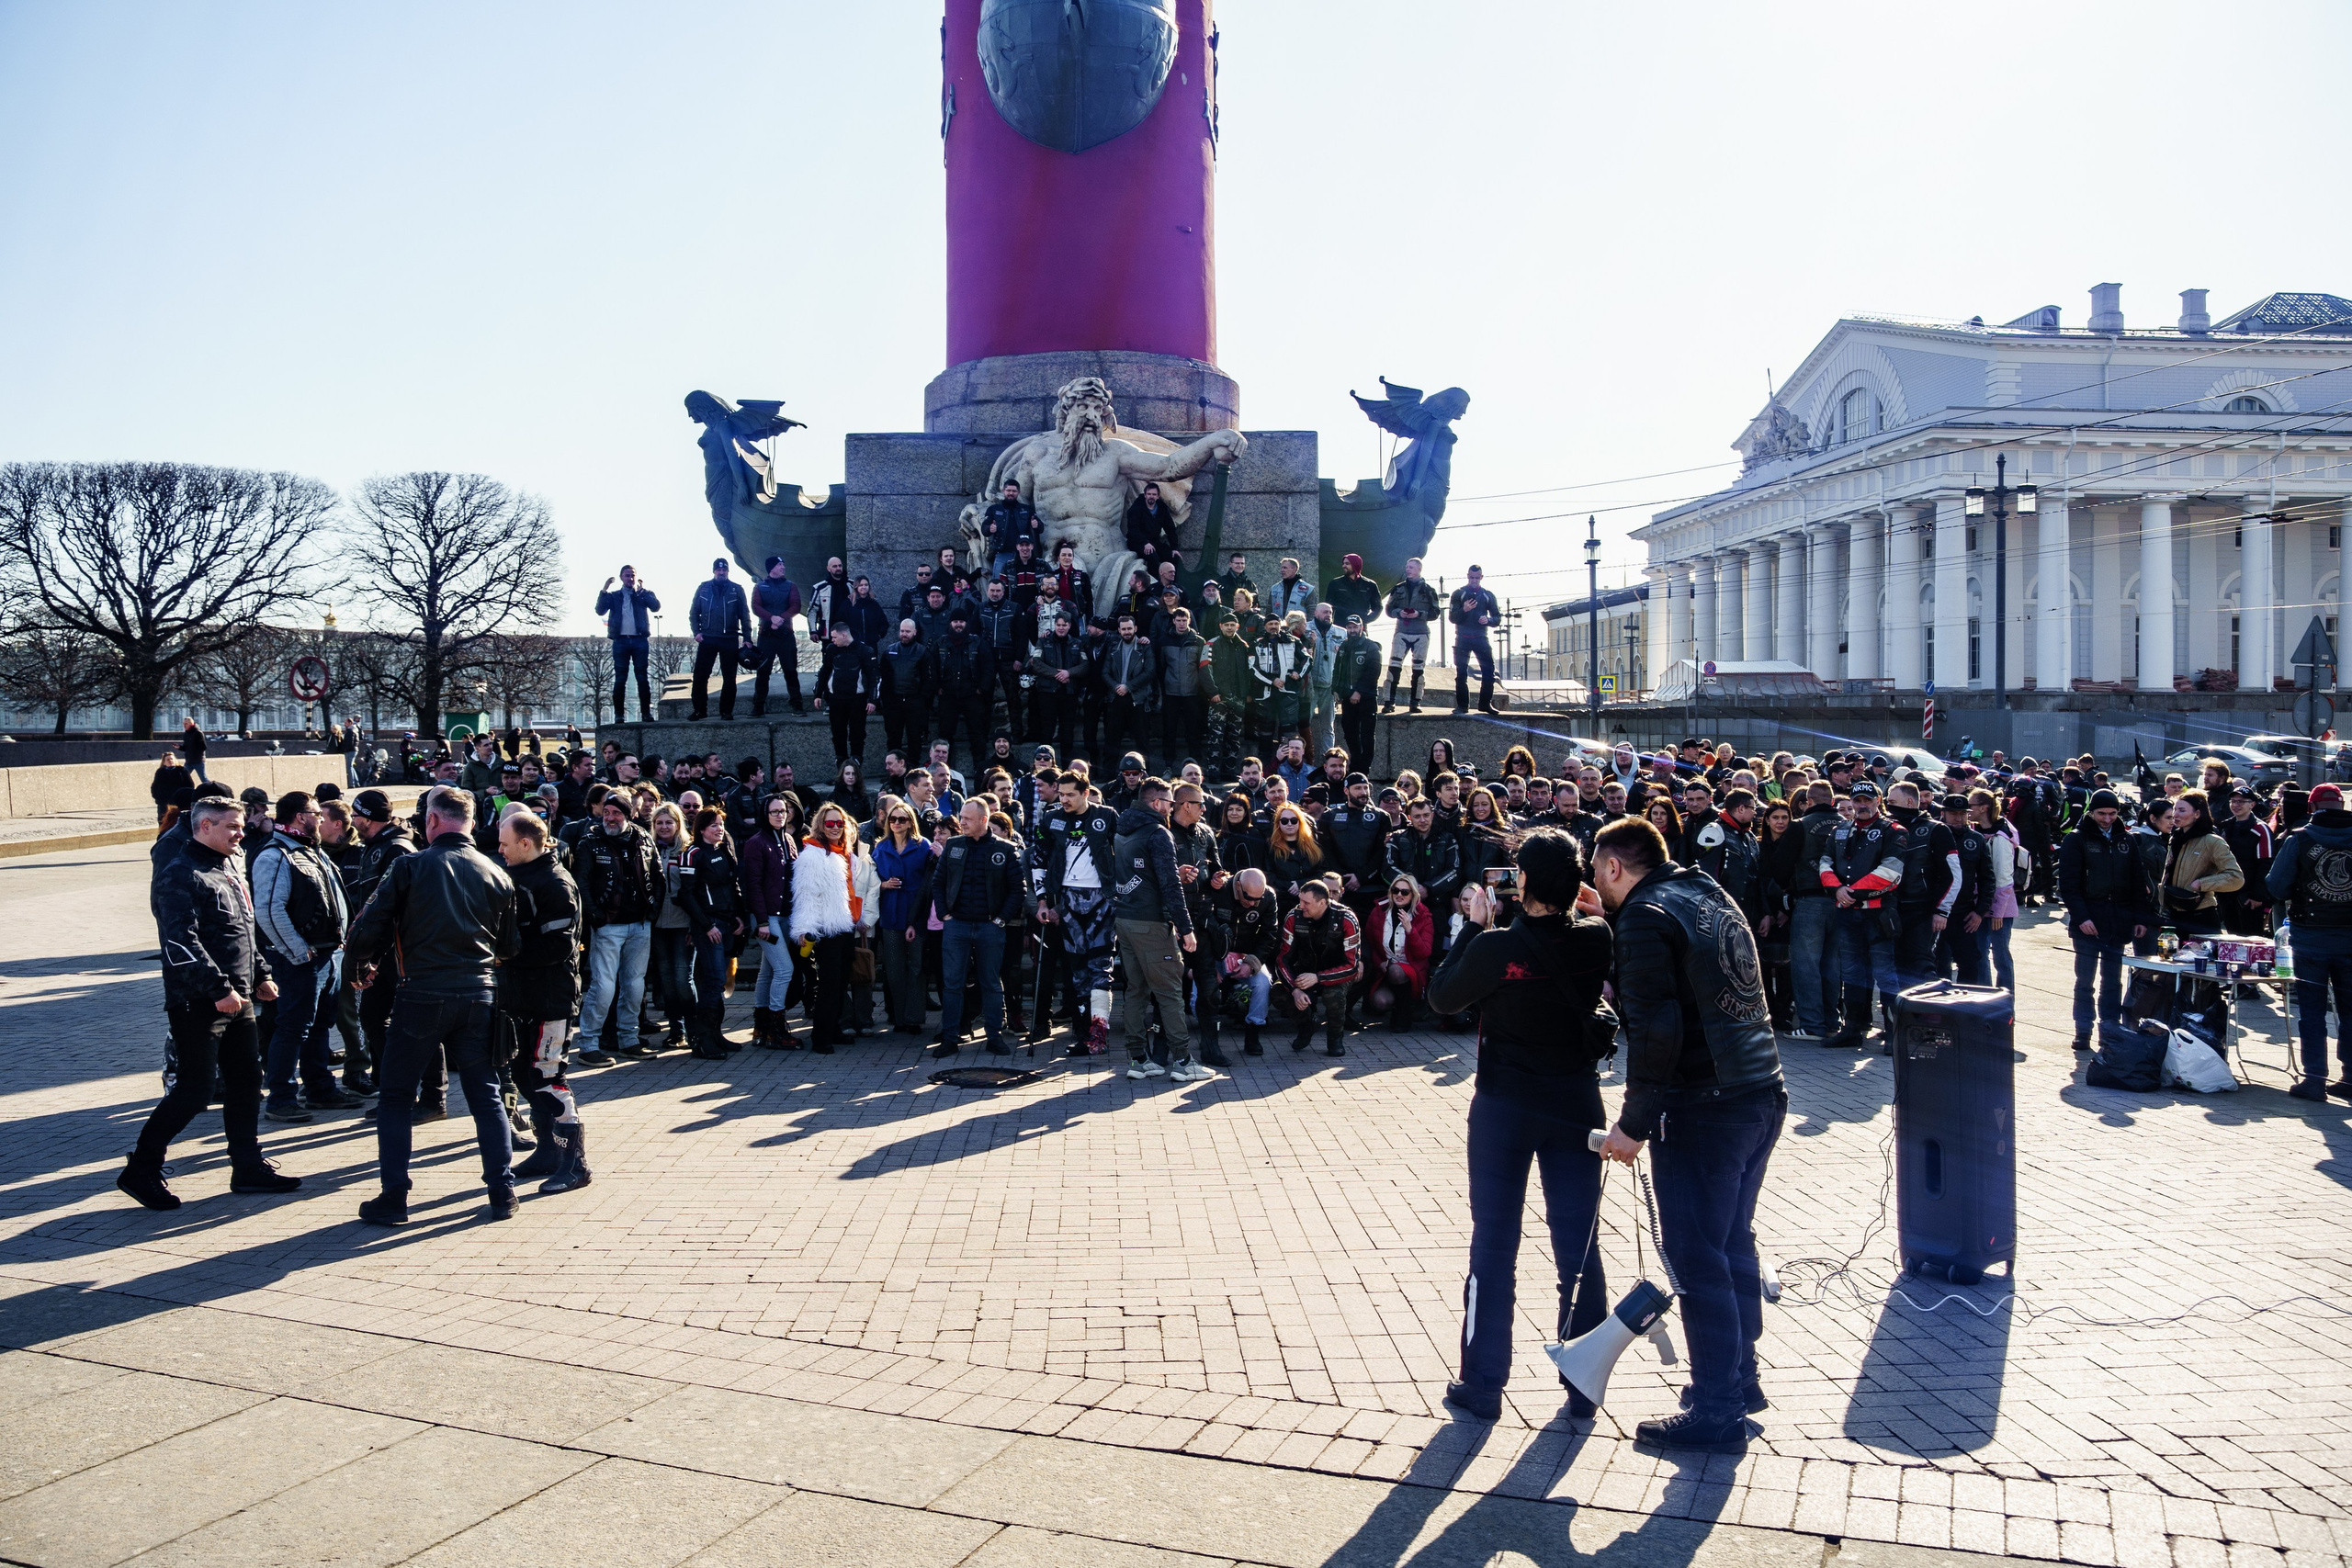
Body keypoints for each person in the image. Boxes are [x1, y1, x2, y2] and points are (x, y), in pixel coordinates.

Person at [1589, 817, 1782, 1452]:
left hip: (1705, 1107)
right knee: (1731, 1248)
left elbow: (1656, 1029)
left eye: (1597, 872)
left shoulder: (1645, 915)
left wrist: (1632, 1124)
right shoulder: (1702, 889)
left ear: (1614, 866)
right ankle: (1739, 1380)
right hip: (1761, 1091)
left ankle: (1717, 1410)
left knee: (1700, 1263)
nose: (1595, 882)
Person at [1426, 830, 1613, 1420]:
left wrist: (1478, 928)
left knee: (1495, 1243)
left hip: (1506, 1104)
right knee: (1579, 1245)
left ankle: (1483, 1383)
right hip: (1576, 1101)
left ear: (1522, 883)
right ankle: (1584, 1379)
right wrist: (1590, 908)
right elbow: (1597, 932)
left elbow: (1441, 998)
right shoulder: (1597, 937)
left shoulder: (1494, 945)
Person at [344, 786, 520, 1226]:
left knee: (397, 1097)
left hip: (421, 992)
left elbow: (368, 928)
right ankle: (502, 1191)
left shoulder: (410, 866)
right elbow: (511, 945)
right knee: (486, 1095)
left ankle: (395, 1196)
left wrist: (363, 960)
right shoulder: (496, 872)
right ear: (473, 823)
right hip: (478, 992)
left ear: (434, 822)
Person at [118, 797, 301, 1210]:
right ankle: (142, 1169)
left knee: (247, 1084)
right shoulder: (180, 874)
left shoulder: (227, 868)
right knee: (195, 1090)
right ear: (204, 827)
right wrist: (217, 988)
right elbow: (180, 942)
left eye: (241, 826)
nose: (242, 833)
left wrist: (262, 976)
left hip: (238, 998)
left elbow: (244, 931)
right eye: (232, 827)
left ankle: (248, 1167)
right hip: (199, 1000)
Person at [495, 809, 592, 1195]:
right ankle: (548, 1150)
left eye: (504, 844)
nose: (498, 850)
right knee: (524, 1075)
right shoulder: (516, 875)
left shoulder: (554, 883)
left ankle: (576, 1163)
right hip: (521, 995)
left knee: (548, 1078)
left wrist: (505, 954)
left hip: (552, 998)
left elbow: (558, 944)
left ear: (525, 842)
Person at [250, 791, 359, 1123]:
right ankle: (280, 1098)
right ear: (300, 817)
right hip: (301, 959)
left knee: (319, 1025)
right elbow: (268, 911)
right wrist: (299, 951)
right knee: (293, 1027)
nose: (322, 819)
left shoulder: (310, 851)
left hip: (327, 955)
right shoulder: (276, 855)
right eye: (316, 813)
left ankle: (319, 1089)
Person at [2265, 783, 2352, 1102]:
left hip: (2310, 938)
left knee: (2312, 1012)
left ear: (2312, 808)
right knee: (2350, 1012)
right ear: (2341, 805)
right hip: (2349, 939)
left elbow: (2276, 886)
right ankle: (2351, 1077)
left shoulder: (2300, 839)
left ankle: (2315, 1078)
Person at [1113, 777, 1204, 1079]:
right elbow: (1170, 885)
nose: (1171, 808)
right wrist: (1186, 927)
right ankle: (1183, 1062)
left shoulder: (1123, 830)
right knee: (1169, 993)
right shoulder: (1158, 833)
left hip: (1125, 919)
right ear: (1156, 803)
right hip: (1151, 923)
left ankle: (1138, 1059)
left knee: (1135, 991)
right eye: (1169, 803)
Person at [2056, 788, 2158, 1053]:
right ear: (2091, 812)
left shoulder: (2127, 840)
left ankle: (2110, 1029)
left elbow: (2138, 881)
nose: (2107, 819)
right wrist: (2081, 917)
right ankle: (2083, 1030)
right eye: (2102, 813)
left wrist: (2140, 917)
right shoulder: (2076, 840)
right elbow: (2068, 885)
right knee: (2085, 981)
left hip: (2118, 921)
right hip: (2088, 921)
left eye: (2112, 814)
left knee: (2112, 981)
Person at [927, 798, 1025, 1055]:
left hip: (989, 926)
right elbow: (938, 883)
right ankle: (950, 1037)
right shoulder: (954, 845)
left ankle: (994, 1036)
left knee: (991, 983)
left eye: (967, 819)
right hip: (957, 924)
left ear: (984, 821)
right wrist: (945, 914)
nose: (962, 823)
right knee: (952, 983)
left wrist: (1001, 919)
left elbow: (1018, 889)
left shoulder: (1005, 849)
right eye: (961, 817)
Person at [574, 791, 661, 1063]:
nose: (610, 818)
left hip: (640, 923)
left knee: (635, 987)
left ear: (629, 814)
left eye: (617, 813)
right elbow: (581, 883)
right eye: (607, 812)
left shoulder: (644, 838)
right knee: (603, 988)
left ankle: (629, 1039)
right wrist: (596, 916)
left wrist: (653, 909)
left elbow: (657, 875)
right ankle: (588, 1044)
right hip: (607, 925)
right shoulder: (589, 842)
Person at [1819, 782, 1905, 1053]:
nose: (1862, 805)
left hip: (1878, 914)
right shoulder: (1840, 830)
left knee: (1885, 974)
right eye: (1858, 800)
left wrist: (1851, 892)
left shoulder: (1894, 831)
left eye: (1867, 799)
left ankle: (1894, 1033)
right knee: (1852, 972)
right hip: (1847, 913)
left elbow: (1892, 871)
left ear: (1878, 800)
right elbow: (1824, 862)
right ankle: (1853, 1029)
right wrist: (1837, 889)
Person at [791, 801, 870, 1052]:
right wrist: (804, 928)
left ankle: (833, 1029)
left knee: (840, 983)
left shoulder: (844, 851)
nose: (835, 827)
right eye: (830, 823)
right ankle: (820, 1037)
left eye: (839, 823)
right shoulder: (812, 854)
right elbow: (805, 895)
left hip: (845, 925)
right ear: (820, 826)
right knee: (828, 984)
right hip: (826, 928)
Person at [1273, 878, 1361, 1056]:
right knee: (1277, 992)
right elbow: (1283, 959)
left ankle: (1335, 1037)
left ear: (1322, 903)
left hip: (1336, 974)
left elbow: (1352, 966)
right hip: (1304, 971)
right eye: (1300, 900)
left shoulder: (1346, 918)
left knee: (1333, 995)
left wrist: (1319, 978)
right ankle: (1307, 1025)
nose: (1301, 905)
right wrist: (1294, 989)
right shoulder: (1293, 917)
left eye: (1306, 902)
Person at [873, 802, 935, 1034]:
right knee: (894, 969)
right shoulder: (881, 848)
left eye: (902, 819)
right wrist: (883, 885)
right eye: (893, 819)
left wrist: (917, 920)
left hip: (916, 914)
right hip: (890, 914)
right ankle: (899, 1018)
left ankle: (914, 1018)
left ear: (911, 822)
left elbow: (928, 883)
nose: (897, 823)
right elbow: (869, 881)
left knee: (916, 968)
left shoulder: (923, 846)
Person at [2159, 789, 2244, 938]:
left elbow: (2236, 877)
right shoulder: (2176, 838)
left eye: (2182, 810)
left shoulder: (2212, 841)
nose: (2175, 814)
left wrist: (2201, 883)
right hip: (2173, 914)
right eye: (2175, 809)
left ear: (2197, 814)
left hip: (2201, 915)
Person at [1931, 793, 1995, 986]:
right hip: (1935, 912)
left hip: (1963, 913)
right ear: (1943, 813)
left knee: (1970, 964)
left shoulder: (1976, 839)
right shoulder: (1932, 834)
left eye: (1963, 814)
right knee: (1938, 965)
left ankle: (1965, 1011)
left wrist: (1980, 912)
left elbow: (1988, 879)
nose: (1959, 819)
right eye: (1953, 814)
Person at [1365, 875, 1436, 1028]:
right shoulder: (1378, 912)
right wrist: (1380, 963)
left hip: (1413, 971)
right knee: (1380, 1002)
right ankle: (1403, 1007)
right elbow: (1371, 944)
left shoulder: (1423, 916)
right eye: (1395, 890)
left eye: (1405, 892)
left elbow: (1424, 953)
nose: (1399, 895)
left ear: (1413, 895)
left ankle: (1403, 1015)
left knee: (1396, 971)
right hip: (1386, 970)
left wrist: (1410, 930)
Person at [596, 566, 662, 722]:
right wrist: (604, 591)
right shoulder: (614, 596)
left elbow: (655, 607)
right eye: (627, 575)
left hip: (639, 640)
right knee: (620, 679)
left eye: (632, 575)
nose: (630, 578)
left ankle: (646, 713)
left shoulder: (642, 595)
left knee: (642, 678)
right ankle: (619, 715)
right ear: (621, 577)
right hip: (621, 640)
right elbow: (600, 610)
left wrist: (644, 591)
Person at [745, 554, 806, 716]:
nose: (783, 568)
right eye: (780, 565)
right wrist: (771, 618)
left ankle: (797, 705)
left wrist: (781, 618)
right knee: (763, 671)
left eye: (783, 565)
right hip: (766, 635)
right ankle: (758, 707)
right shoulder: (760, 587)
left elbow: (796, 605)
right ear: (772, 568)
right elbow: (756, 606)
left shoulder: (791, 586)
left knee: (790, 670)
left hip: (786, 634)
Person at [1381, 558, 1442, 713]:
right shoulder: (1398, 588)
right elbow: (1388, 609)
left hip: (1420, 634)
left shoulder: (1429, 590)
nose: (1408, 569)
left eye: (1411, 567)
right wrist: (1398, 612)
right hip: (1401, 632)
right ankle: (1389, 702)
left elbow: (1435, 613)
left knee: (1418, 670)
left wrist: (1419, 614)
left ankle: (1415, 702)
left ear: (1419, 569)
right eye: (1407, 567)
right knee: (1394, 667)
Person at [814, 622, 878, 765]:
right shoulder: (832, 650)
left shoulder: (865, 651)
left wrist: (872, 700)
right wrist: (818, 694)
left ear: (844, 635)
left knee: (857, 733)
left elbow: (873, 676)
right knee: (837, 733)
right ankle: (841, 762)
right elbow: (824, 673)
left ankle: (856, 761)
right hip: (836, 699)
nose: (832, 640)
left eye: (834, 637)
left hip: (857, 699)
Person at [1446, 563, 1501, 716]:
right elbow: (1452, 617)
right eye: (1471, 577)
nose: (1474, 580)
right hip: (1462, 638)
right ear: (1467, 576)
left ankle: (1485, 704)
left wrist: (1488, 620)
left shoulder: (1488, 595)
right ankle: (1462, 705)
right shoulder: (1459, 593)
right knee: (1461, 673)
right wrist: (1464, 609)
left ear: (1481, 578)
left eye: (1477, 578)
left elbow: (1497, 618)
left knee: (1489, 672)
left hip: (1481, 638)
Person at [983, 479, 1041, 576]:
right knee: (998, 584)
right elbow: (984, 529)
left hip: (1024, 554)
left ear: (1018, 492)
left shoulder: (1027, 509)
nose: (1011, 493)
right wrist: (990, 528)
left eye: (1014, 491)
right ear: (1003, 491)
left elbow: (1041, 528)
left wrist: (1036, 525)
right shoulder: (993, 509)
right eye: (1008, 490)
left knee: (1024, 585)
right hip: (1002, 554)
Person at [1123, 481, 1179, 572]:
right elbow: (1133, 528)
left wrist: (1174, 548)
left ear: (1158, 496)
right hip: (1138, 542)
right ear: (1145, 495)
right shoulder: (1137, 507)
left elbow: (1170, 528)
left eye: (1154, 494)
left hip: (1154, 541)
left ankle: (1171, 585)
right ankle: (1154, 584)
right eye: (1149, 494)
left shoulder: (1162, 508)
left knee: (1174, 557)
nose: (1151, 496)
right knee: (1152, 557)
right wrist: (1145, 542)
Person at [1322, 552, 1382, 634]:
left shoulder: (1370, 585)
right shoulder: (1335, 583)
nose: (1344, 566)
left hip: (1360, 628)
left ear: (1355, 565)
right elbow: (1328, 606)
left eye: (1347, 564)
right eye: (1343, 563)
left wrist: (1366, 619)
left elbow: (1378, 607)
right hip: (1340, 627)